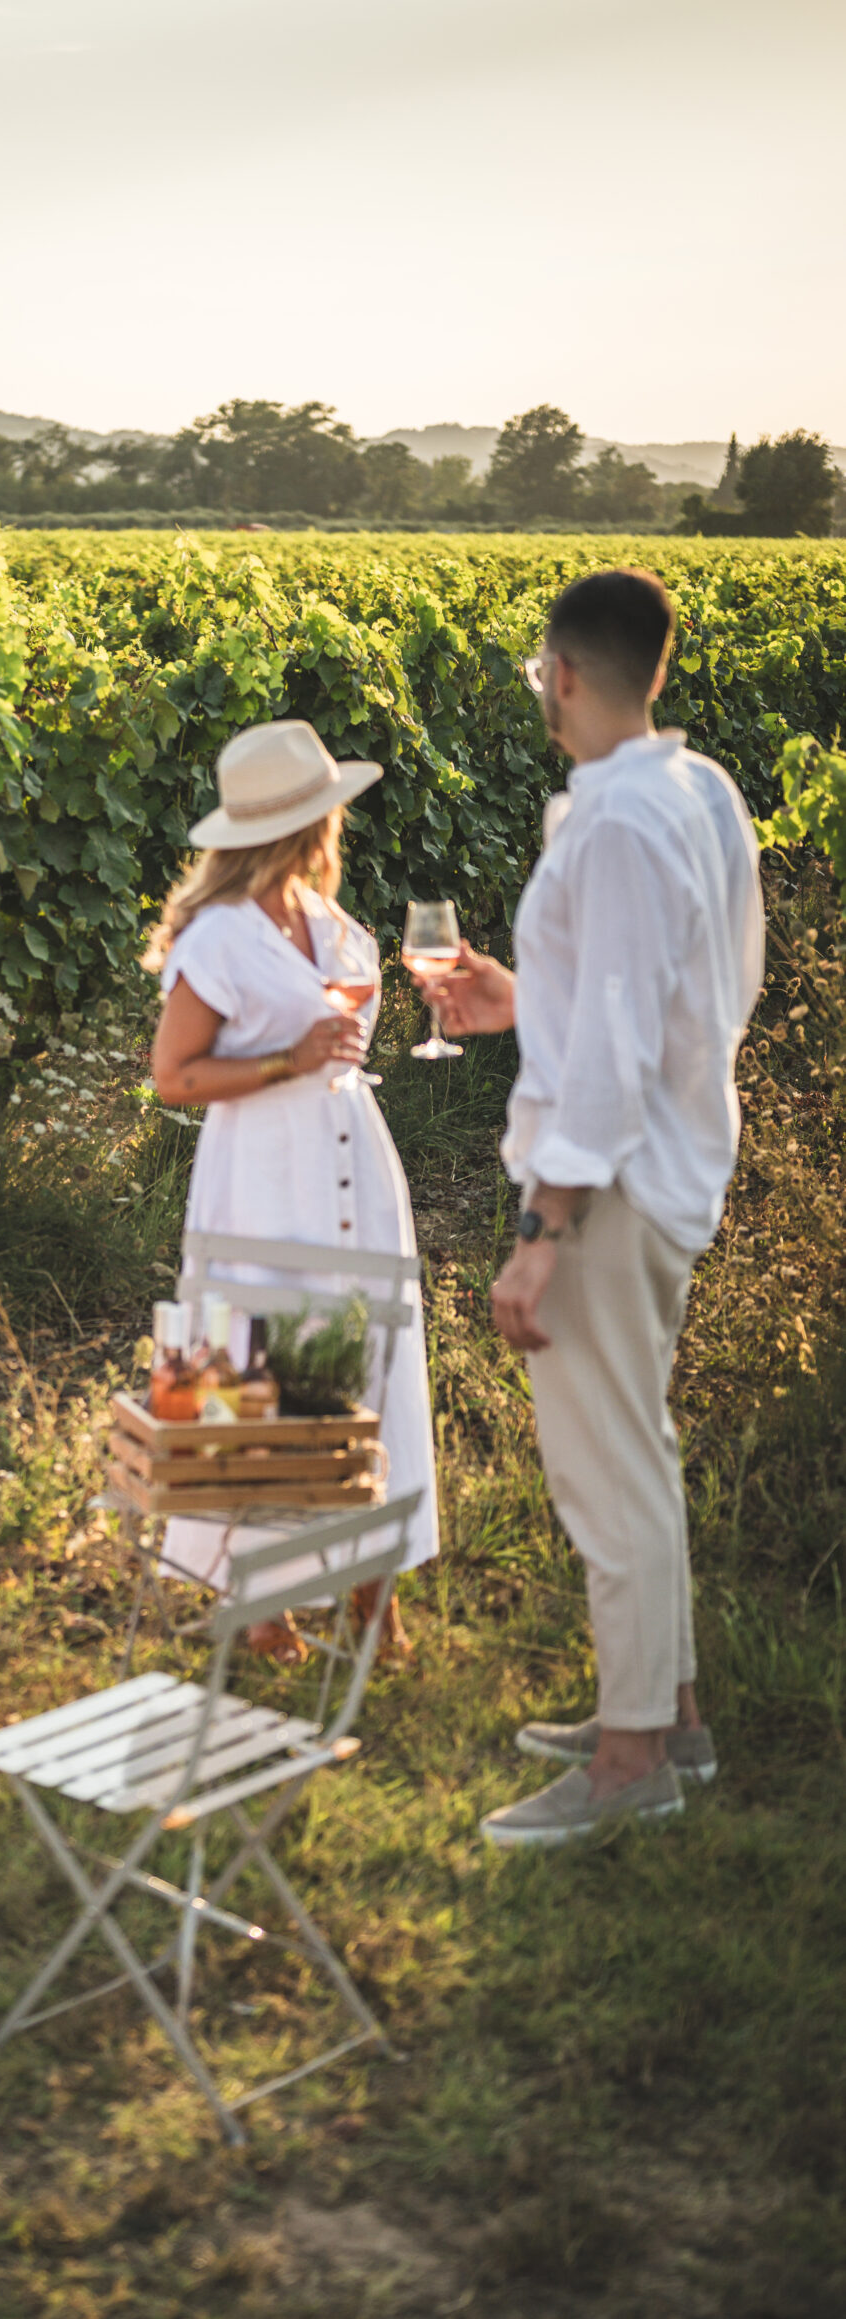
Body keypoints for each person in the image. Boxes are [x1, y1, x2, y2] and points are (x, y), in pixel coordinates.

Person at [434, 569, 764, 1847]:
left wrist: (543, 1232)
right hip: (669, 1160)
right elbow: (678, 991)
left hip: (610, 1189)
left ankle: (630, 1765)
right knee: (642, 1445)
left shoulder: (620, 820)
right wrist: (525, 997)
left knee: (601, 1466)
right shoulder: (698, 790)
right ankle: (669, 1713)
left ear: (562, 672)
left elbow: (620, 1052)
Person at [147, 718, 440, 1659]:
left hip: (351, 1157)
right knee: (262, 1371)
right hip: (262, 1176)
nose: (337, 829)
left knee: (369, 1366)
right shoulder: (219, 938)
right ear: (305, 824)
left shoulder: (331, 923)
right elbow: (174, 1078)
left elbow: (339, 1046)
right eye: (329, 815)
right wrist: (285, 1061)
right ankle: (258, 1598)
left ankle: (369, 1596)